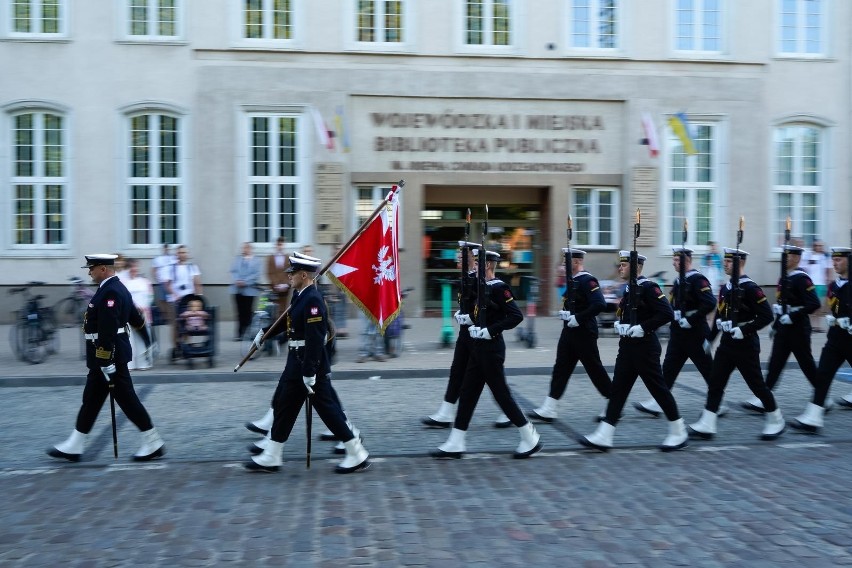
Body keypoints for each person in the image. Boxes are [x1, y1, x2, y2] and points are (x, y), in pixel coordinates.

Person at [245, 252, 369, 474]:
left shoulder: (312, 300)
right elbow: (287, 321)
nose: (289, 276)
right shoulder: (300, 295)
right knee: (285, 406)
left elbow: (314, 339)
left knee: (327, 409)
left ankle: (356, 452)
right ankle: (272, 455)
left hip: (307, 364)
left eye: (292, 273)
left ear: (304, 274)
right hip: (296, 362)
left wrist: (309, 372)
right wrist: (264, 333)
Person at [47, 254, 164, 462]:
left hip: (110, 357)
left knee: (127, 400)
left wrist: (105, 361)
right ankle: (75, 444)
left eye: (91, 268)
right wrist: (148, 341)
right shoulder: (116, 288)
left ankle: (153, 441)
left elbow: (108, 329)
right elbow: (136, 319)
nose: (89, 272)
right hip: (106, 357)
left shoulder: (111, 291)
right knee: (91, 400)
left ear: (103, 269)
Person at [431, 250, 542, 460]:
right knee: (467, 393)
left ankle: (529, 436)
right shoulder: (479, 287)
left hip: (491, 349)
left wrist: (490, 330)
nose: (473, 267)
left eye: (477, 264)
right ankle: (456, 441)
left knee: (502, 395)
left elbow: (515, 316)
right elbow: (477, 313)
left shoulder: (500, 288)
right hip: (478, 348)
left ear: (489, 266)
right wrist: (468, 320)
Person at [579, 250, 687, 452]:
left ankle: (678, 430)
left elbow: (667, 313)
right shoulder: (630, 288)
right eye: (620, 265)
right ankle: (605, 434)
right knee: (617, 390)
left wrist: (644, 327)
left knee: (658, 389)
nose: (620, 268)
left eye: (624, 265)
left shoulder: (649, 287)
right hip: (628, 347)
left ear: (636, 267)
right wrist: (623, 325)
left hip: (645, 348)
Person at [688, 248, 784, 441]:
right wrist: (711, 338)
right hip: (727, 344)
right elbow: (719, 315)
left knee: (757, 385)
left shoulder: (751, 288)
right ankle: (708, 422)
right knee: (715, 382)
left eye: (729, 262)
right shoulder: (726, 288)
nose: (725, 264)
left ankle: (776, 419)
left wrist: (745, 329)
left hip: (745, 345)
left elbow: (766, 315)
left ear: (740, 263)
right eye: (725, 261)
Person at [528, 248, 612, 423]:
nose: (562, 266)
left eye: (565, 262)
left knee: (594, 369)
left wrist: (578, 318)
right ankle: (549, 407)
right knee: (561, 368)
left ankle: (614, 404)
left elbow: (599, 304)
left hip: (584, 332)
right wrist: (566, 314)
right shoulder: (572, 281)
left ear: (575, 262)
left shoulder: (588, 280)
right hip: (569, 331)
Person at [634, 247, 719, 417]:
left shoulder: (698, 280)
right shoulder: (679, 281)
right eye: (673, 259)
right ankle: (659, 402)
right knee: (669, 368)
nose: (673, 262)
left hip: (695, 333)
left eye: (676, 260)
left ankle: (718, 401)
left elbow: (710, 303)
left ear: (686, 261)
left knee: (708, 370)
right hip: (679, 334)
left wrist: (691, 319)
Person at [741, 244, 822, 412]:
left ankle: (822, 394)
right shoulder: (783, 279)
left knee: (806, 364)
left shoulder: (802, 279)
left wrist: (792, 315)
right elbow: (781, 305)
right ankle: (765, 396)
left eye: (789, 256)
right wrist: (776, 325)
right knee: (775, 363)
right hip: (784, 329)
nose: (784, 260)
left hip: (799, 329)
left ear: (797, 258)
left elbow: (814, 304)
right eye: (784, 256)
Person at [791, 246, 852, 432]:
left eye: (839, 260)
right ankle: (813, 416)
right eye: (834, 259)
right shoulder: (834, 285)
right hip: (835, 340)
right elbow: (831, 307)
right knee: (822, 375)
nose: (834, 263)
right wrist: (832, 317)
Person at [422, 243, 479, 427]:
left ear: (473, 258)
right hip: (465, 334)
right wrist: (460, 313)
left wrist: (470, 318)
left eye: (461, 256)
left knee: (492, 377)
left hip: (479, 335)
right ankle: (445, 413)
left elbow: (487, 309)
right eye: (458, 255)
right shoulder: (465, 277)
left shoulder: (479, 278)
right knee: (457, 372)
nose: (457, 258)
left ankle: (510, 413)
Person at [164, 244, 203, 358]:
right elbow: (167, 284)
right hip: (175, 300)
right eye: (180, 252)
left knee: (188, 323)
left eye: (184, 252)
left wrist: (199, 297)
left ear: (187, 254)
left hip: (189, 300)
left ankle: (186, 345)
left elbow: (197, 283)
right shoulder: (171, 268)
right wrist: (175, 295)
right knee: (176, 324)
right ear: (177, 254)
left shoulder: (192, 267)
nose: (182, 254)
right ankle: (176, 347)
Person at [123, 258, 155, 370]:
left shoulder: (145, 282)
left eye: (135, 266)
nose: (134, 269)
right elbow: (124, 298)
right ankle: (129, 363)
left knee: (143, 338)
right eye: (131, 267)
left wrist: (144, 307)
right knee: (130, 338)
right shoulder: (123, 283)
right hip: (129, 314)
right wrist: (134, 307)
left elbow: (150, 296)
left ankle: (144, 363)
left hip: (143, 313)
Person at [230, 241, 261, 341]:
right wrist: (237, 280)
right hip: (237, 289)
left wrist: (245, 282)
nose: (245, 249)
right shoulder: (238, 259)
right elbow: (233, 271)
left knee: (248, 312)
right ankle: (239, 333)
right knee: (239, 312)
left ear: (250, 249)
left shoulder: (256, 261)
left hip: (250, 290)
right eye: (244, 248)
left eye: (247, 248)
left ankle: (248, 333)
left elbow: (256, 275)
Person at [804, 239, 833, 331]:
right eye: (816, 245)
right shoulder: (809, 256)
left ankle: (817, 326)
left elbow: (829, 269)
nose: (818, 247)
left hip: (821, 284)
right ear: (813, 246)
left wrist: (829, 280)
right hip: (810, 284)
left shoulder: (825, 257)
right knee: (811, 305)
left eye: (820, 245)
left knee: (820, 306)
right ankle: (811, 325)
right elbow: (804, 269)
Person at [266, 236, 293, 326]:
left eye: (281, 244)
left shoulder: (288, 258)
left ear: (283, 245)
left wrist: (286, 284)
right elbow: (269, 273)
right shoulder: (270, 258)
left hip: (285, 288)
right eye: (278, 244)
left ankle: (282, 328)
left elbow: (290, 272)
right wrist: (276, 284)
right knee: (274, 308)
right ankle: (273, 327)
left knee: (284, 308)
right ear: (275, 245)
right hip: (274, 287)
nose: (279, 246)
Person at [151, 244, 176, 327]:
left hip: (172, 282)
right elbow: (154, 270)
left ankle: (172, 317)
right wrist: (157, 279)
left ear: (169, 249)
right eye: (164, 248)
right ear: (163, 249)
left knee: (171, 301)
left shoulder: (173, 258)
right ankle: (165, 317)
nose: (166, 249)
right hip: (162, 282)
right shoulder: (158, 259)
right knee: (162, 300)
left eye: (167, 248)